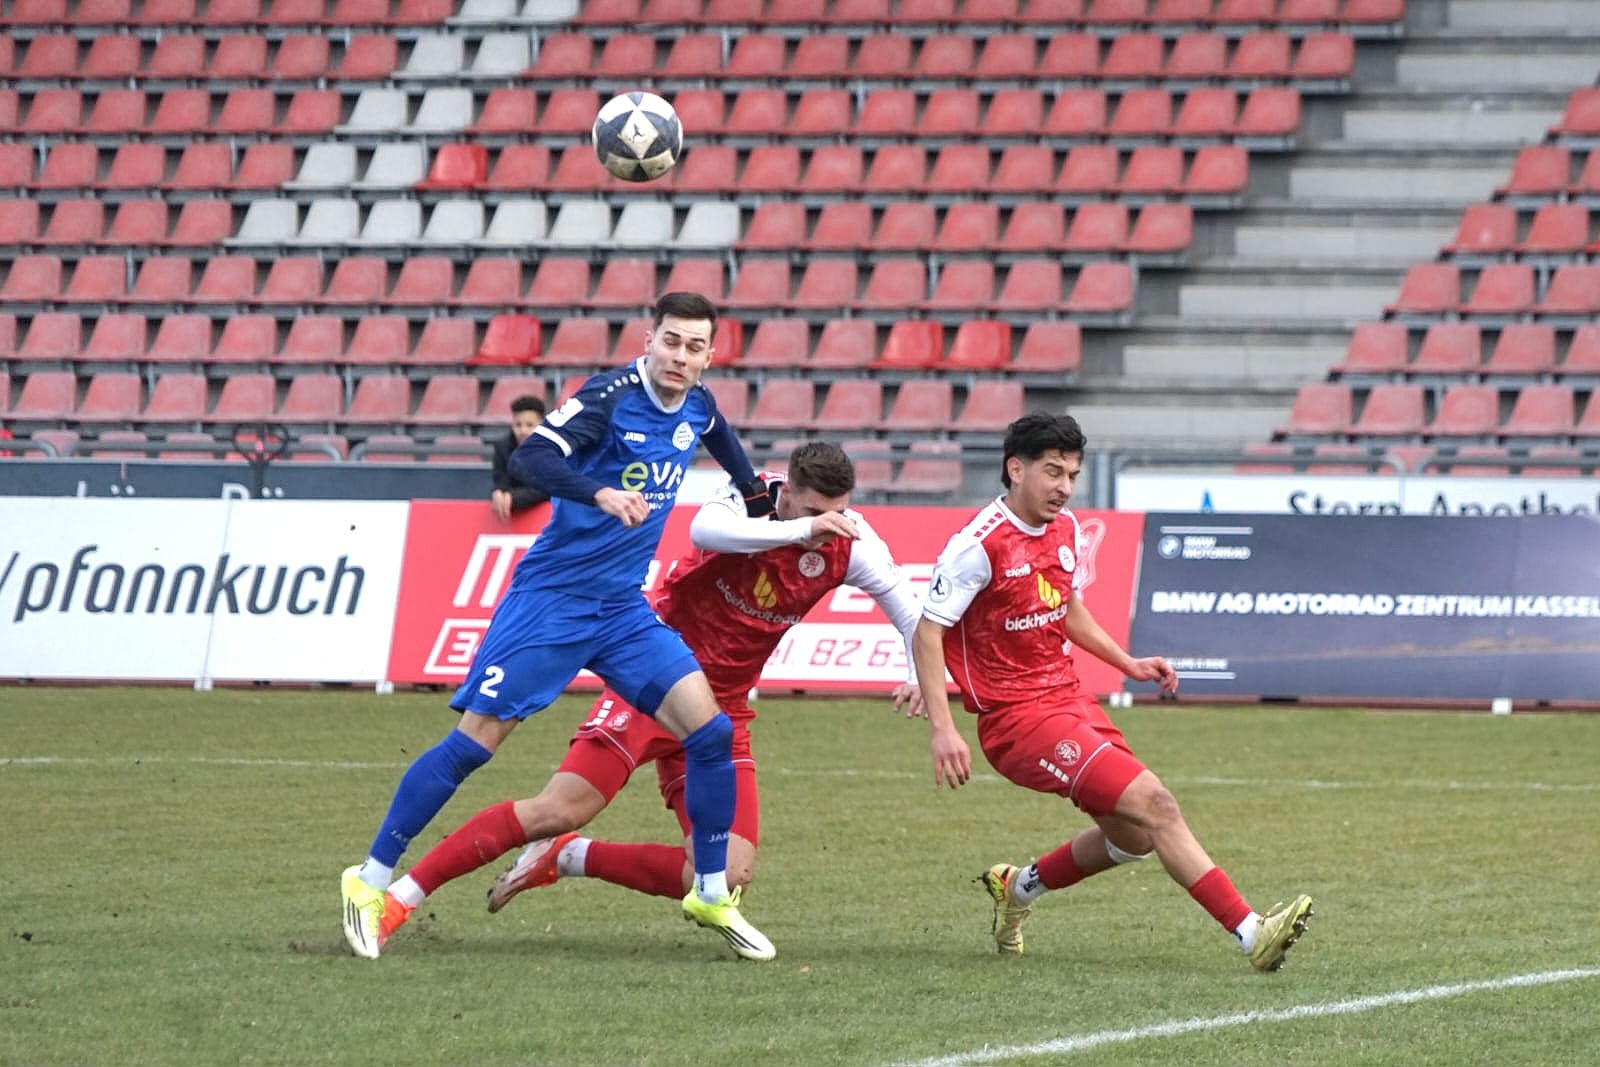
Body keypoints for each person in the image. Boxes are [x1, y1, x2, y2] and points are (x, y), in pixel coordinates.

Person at [340, 291, 778, 960]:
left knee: (711, 730)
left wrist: (751, 491)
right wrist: (597, 491)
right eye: (670, 341)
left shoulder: (697, 401)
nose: (680, 356)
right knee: (473, 745)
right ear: (649, 339)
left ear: (709, 356)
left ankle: (710, 889)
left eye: (694, 346)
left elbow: (715, 429)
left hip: (622, 609)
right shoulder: (608, 397)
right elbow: (531, 460)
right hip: (552, 601)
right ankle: (369, 880)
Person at [374, 441, 926, 960]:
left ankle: (568, 856)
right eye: (812, 513)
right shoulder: (746, 497)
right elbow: (706, 531)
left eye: (834, 515)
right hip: (654, 683)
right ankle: (401, 896)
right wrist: (795, 529)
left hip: (722, 709)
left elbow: (907, 610)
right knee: (559, 808)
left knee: (727, 874)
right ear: (788, 494)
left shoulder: (848, 539)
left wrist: (916, 674)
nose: (824, 531)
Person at [912, 411, 1314, 971]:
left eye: (1072, 474)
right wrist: (942, 726)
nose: (1064, 487)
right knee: (1156, 804)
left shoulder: (1068, 529)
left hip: (1069, 698)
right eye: (1052, 472)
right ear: (1014, 469)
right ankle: (1252, 933)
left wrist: (1127, 661)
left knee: (1134, 836)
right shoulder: (977, 546)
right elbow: (929, 629)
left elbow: (1066, 606)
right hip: (1015, 721)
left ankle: (1017, 888)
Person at [489, 394, 548, 522]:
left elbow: (546, 488)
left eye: (529, 425)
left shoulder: (553, 449)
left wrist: (514, 497)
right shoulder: (502, 448)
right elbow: (500, 480)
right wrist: (498, 492)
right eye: (518, 425)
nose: (523, 430)